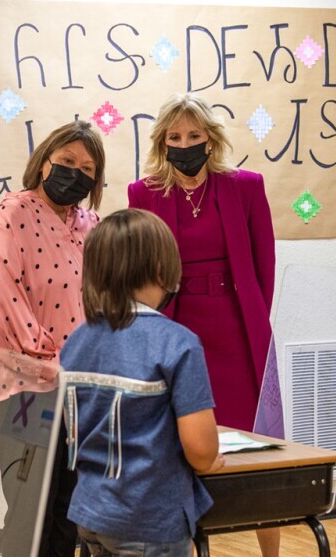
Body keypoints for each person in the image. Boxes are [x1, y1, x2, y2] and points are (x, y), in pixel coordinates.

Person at [127, 93, 279, 555]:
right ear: (162, 142)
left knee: (259, 446)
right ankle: (191, 547)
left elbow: (264, 265)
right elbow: (140, 269)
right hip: (176, 329)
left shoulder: (246, 186)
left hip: (237, 329)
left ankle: (271, 548)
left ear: (210, 140)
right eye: (174, 137)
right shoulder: (142, 193)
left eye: (194, 136)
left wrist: (255, 321)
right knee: (180, 446)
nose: (185, 143)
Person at [0, 120, 105, 556]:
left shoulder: (91, 225)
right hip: (23, 385)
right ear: (44, 161)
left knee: (70, 512)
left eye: (87, 167)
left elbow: (106, 297)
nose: (75, 173)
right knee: (31, 512)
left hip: (80, 390)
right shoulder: (12, 213)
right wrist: (50, 362)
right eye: (66, 161)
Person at [60, 208, 222, 556]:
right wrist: (210, 461)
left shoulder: (75, 341)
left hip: (89, 512)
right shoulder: (177, 342)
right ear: (163, 270)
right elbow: (201, 450)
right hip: (148, 519)